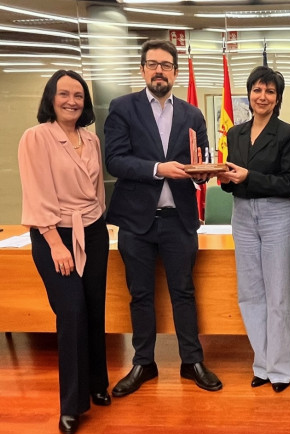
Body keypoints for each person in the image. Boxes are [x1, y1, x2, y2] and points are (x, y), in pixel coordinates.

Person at [105, 39, 222, 397]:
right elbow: (114, 160)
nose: (159, 70)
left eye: (166, 65)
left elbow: (199, 157)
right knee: (140, 295)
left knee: (184, 292)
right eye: (152, 64)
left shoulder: (192, 114)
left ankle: (192, 361)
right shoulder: (122, 108)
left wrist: (202, 174)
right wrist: (158, 168)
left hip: (179, 218)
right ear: (142, 69)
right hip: (136, 222)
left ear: (175, 72)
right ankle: (144, 363)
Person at [18, 70, 110, 434]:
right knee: (71, 314)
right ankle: (72, 405)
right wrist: (56, 243)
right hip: (54, 235)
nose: (72, 101)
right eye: (64, 94)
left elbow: (98, 189)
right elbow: (38, 193)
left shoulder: (91, 139)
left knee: (93, 310)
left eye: (78, 95)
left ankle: (97, 383)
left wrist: (99, 223)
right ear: (50, 98)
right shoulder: (36, 138)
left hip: (93, 231)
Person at [218, 66, 290, 392]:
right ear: (249, 93)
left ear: (277, 97)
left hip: (277, 215)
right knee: (250, 294)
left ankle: (281, 369)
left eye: (269, 91)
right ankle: (262, 363)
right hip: (241, 215)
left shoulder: (288, 133)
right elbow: (232, 182)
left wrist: (247, 177)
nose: (262, 96)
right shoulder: (235, 134)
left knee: (280, 294)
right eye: (257, 90)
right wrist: (225, 179)